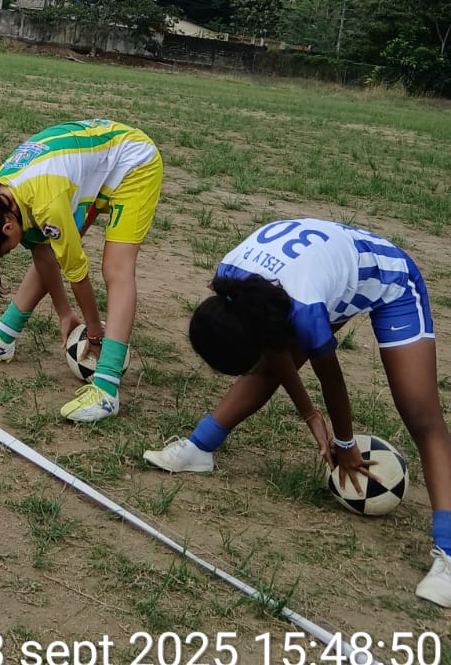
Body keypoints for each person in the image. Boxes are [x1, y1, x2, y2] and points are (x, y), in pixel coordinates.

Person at [143, 217, 451, 608]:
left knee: (420, 413)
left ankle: (449, 553)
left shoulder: (302, 312)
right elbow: (274, 350)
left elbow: (331, 379)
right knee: (270, 367)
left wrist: (345, 444)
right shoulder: (232, 285)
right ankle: (199, 448)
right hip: (315, 277)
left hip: (389, 277)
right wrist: (309, 415)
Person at [0, 120, 162, 424]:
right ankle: (3, 340)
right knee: (55, 247)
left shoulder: (46, 206)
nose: (6, 254)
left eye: (1, 252)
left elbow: (76, 272)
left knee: (116, 268)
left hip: (134, 162)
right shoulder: (2, 192)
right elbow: (44, 255)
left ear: (7, 227)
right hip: (87, 170)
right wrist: (64, 313)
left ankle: (107, 389)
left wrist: (94, 331)